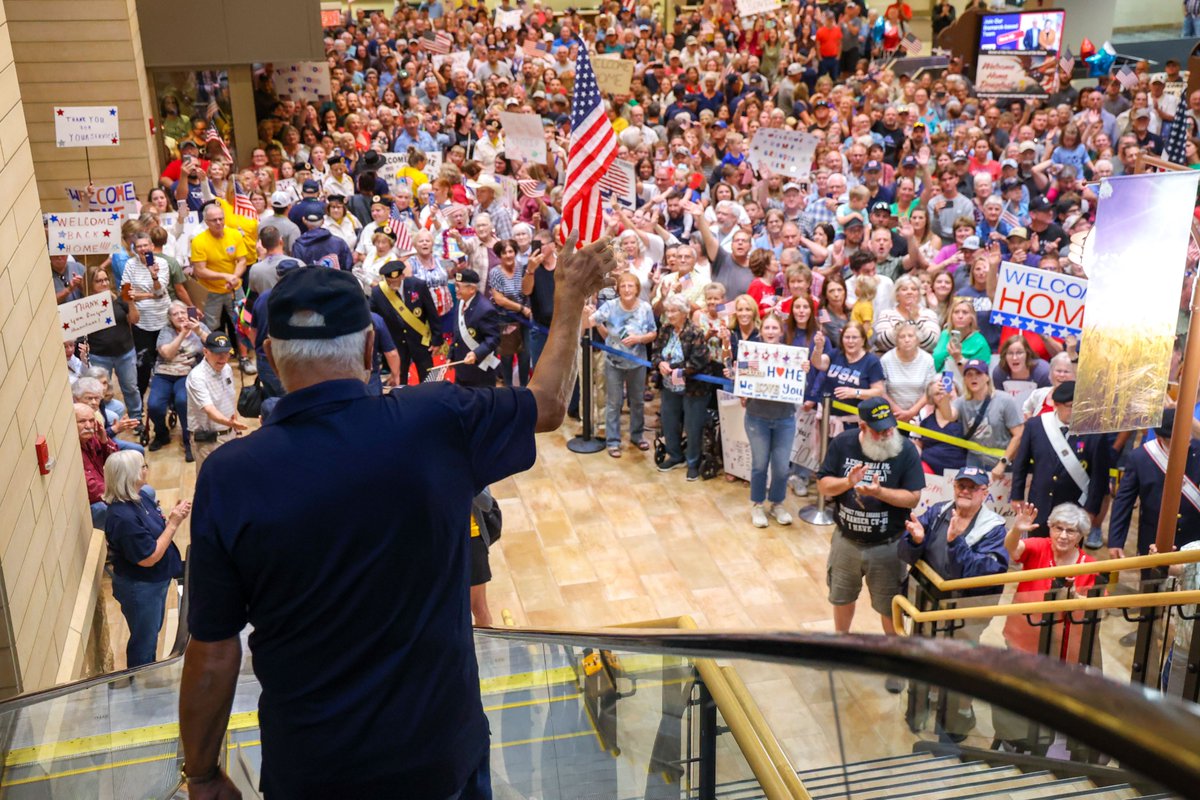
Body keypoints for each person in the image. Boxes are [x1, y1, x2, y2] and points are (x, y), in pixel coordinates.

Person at [179, 236, 614, 798]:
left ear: (270, 355)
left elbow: (212, 652)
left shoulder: (229, 476)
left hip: (313, 768)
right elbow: (549, 405)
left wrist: (205, 774)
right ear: (366, 349)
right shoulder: (435, 420)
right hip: (438, 756)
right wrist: (572, 298)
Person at [899, 464, 1009, 738]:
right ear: (954, 487)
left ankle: (957, 719)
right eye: (962, 485)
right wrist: (916, 541)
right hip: (927, 603)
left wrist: (956, 542)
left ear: (985, 492)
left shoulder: (995, 529)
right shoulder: (938, 511)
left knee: (960, 663)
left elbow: (980, 575)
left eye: (973, 487)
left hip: (966, 611)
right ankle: (920, 707)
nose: (966, 491)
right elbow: (906, 550)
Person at [817, 398, 924, 652]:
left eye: (889, 427)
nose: (887, 433)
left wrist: (880, 493)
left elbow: (913, 497)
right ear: (862, 426)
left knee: (890, 606)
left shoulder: (905, 449)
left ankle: (896, 660)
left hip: (889, 546)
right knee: (841, 597)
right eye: (879, 429)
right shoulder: (843, 443)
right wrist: (847, 482)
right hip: (846, 541)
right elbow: (823, 484)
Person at [997, 501, 1098, 748]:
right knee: (1020, 688)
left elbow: (1099, 603)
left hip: (1064, 644)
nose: (1063, 536)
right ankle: (1017, 738)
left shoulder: (1091, 564)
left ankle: (1044, 738)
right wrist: (1016, 529)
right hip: (1023, 634)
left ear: (1081, 535)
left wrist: (1077, 599)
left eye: (1070, 531)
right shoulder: (1039, 546)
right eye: (1058, 528)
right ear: (1050, 528)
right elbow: (1013, 549)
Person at [103, 450, 189, 667]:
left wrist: (171, 517)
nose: (146, 469)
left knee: (153, 631)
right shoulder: (123, 519)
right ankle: (141, 686)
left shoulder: (141, 497)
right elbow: (149, 557)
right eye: (142, 466)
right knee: (144, 643)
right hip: (140, 588)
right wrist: (174, 523)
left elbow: (154, 531)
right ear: (130, 474)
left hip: (154, 582)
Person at [744, 313, 825, 527]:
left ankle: (777, 503)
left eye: (774, 328)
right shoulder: (752, 352)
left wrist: (805, 371)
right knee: (760, 465)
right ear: (761, 331)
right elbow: (743, 382)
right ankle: (757, 505)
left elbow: (801, 388)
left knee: (781, 467)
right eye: (767, 328)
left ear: (781, 332)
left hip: (785, 419)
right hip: (757, 417)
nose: (770, 332)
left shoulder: (793, 355)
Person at [1010, 381, 1111, 538]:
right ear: (1056, 404)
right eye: (1071, 406)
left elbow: (1099, 477)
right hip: (1039, 505)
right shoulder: (1035, 426)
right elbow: (1021, 463)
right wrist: (1016, 495)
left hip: (1074, 507)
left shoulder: (1094, 432)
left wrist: (1091, 510)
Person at [1109, 407, 1200, 560]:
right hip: (1154, 538)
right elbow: (1124, 501)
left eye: (1187, 436)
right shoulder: (1140, 458)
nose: (1186, 442)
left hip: (1194, 537)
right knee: (1150, 582)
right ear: (1160, 437)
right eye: (1177, 440)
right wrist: (1116, 541)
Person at [589, 272, 656, 458]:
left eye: (631, 286)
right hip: (614, 362)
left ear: (637, 289)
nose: (627, 289)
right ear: (618, 289)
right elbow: (590, 321)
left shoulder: (645, 308)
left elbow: (653, 333)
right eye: (623, 286)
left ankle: (637, 436)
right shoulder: (610, 306)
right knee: (613, 402)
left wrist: (639, 338)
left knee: (638, 402)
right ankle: (613, 441)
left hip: (637, 363)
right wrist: (587, 316)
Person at [190, 203, 254, 374]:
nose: (218, 222)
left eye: (221, 219)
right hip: (211, 292)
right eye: (214, 220)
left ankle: (244, 358)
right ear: (206, 221)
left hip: (234, 289)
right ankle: (212, 360)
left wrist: (234, 277)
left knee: (241, 324)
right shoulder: (199, 241)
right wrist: (225, 277)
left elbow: (242, 260)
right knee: (210, 327)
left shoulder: (234, 235)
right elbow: (200, 270)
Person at [654, 294, 712, 482]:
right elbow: (655, 352)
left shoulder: (695, 332)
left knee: (693, 426)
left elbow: (699, 361)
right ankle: (675, 456)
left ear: (684, 313)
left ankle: (693, 462)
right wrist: (660, 363)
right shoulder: (665, 330)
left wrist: (675, 369)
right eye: (668, 311)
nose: (670, 315)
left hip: (693, 388)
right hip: (669, 386)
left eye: (674, 311)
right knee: (669, 421)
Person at [83, 264, 144, 428]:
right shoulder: (84, 306)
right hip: (99, 356)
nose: (103, 284)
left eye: (105, 280)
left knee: (131, 387)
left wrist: (131, 303)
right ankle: (104, 420)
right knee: (100, 391)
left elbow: (135, 319)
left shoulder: (119, 299)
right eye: (98, 281)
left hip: (125, 353)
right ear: (90, 284)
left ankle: (136, 419)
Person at [148, 302, 208, 461]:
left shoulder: (198, 326)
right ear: (170, 318)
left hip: (187, 373)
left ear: (189, 313)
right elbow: (167, 353)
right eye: (175, 314)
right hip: (164, 373)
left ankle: (189, 441)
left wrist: (198, 331)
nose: (180, 316)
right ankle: (161, 433)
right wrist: (182, 334)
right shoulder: (166, 331)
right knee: (154, 405)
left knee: (183, 401)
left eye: (183, 312)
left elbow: (215, 343)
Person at [186, 332, 246, 470]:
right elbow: (209, 410)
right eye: (218, 353)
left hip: (229, 435)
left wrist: (234, 429)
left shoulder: (227, 369)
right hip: (208, 441)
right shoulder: (197, 377)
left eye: (226, 353)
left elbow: (229, 399)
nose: (223, 358)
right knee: (209, 485)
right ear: (206, 352)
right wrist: (229, 423)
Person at [956, 359, 1024, 477]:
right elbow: (949, 416)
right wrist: (944, 399)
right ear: (965, 380)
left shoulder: (1005, 400)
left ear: (987, 377)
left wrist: (1003, 463)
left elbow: (1019, 434)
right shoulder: (962, 401)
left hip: (1002, 459)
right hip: (975, 459)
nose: (974, 378)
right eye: (969, 375)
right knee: (974, 494)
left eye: (978, 374)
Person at [450, 269, 502, 388]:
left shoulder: (486, 310)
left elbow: (493, 339)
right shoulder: (461, 302)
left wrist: (476, 354)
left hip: (479, 371)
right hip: (462, 370)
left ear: (472, 289)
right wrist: (451, 356)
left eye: (459, 287)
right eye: (455, 285)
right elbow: (457, 332)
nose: (456, 290)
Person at [881, 324, 936, 424]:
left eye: (910, 336)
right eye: (902, 336)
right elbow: (881, 391)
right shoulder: (886, 359)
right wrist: (898, 412)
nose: (907, 340)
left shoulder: (927, 359)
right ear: (896, 340)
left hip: (920, 416)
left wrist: (911, 412)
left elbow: (929, 391)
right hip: (892, 415)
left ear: (917, 339)